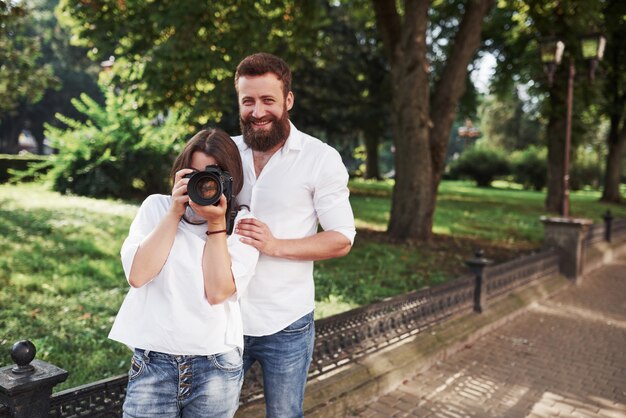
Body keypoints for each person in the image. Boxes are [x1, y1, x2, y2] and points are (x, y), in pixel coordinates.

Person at [232, 52, 356, 417]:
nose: (257, 111)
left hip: (285, 322)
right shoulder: (224, 152)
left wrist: (274, 245)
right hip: (223, 318)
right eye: (248, 101)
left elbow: (341, 237)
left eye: (268, 100)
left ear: (288, 100)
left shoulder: (320, 158)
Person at [108, 128, 259, 418]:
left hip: (215, 364)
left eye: (213, 175)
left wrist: (216, 225)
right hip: (154, 362)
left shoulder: (242, 225)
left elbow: (217, 292)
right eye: (194, 175)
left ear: (230, 179)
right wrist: (174, 214)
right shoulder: (157, 208)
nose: (204, 184)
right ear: (180, 173)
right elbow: (138, 275)